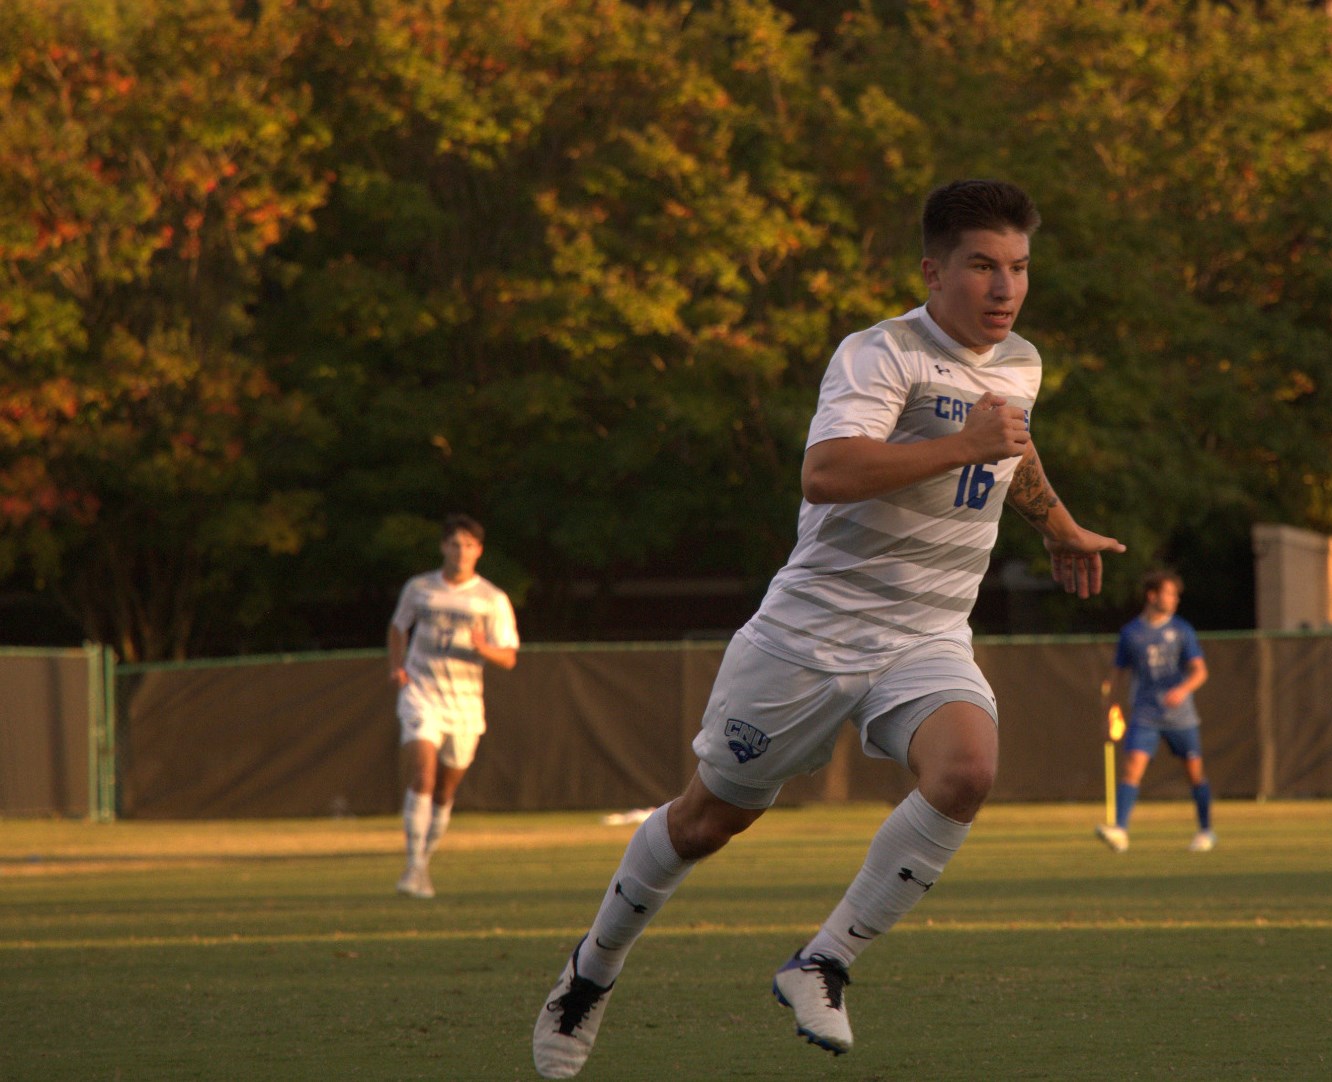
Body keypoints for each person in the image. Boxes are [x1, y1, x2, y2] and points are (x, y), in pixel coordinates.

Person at [531, 178, 1125, 1078]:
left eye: (1018, 268)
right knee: (704, 822)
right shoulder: (877, 354)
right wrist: (960, 444)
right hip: (810, 634)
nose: (1003, 288)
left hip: (925, 634)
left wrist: (1057, 523)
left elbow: (1011, 441)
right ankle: (591, 970)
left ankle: (822, 962)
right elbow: (826, 472)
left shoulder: (1020, 361)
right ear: (932, 271)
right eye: (981, 267)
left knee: (966, 769)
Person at [387, 513, 520, 898]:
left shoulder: (492, 599)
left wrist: (484, 649)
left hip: (464, 704)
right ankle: (413, 867)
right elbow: (398, 626)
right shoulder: (419, 588)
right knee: (422, 777)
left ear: (478, 551)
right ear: (443, 547)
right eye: (454, 543)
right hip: (421, 693)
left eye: (469, 545)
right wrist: (397, 666)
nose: (461, 551)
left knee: (445, 791)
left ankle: (423, 862)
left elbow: (509, 657)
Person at [1095, 569, 1213, 854]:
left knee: (1194, 773)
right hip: (1145, 713)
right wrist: (1110, 706)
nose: (1174, 600)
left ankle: (1205, 830)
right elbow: (1117, 674)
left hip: (1180, 716)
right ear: (1152, 596)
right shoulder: (1131, 633)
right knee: (1132, 769)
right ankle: (1120, 831)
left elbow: (1200, 672)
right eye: (1169, 593)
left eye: (1175, 595)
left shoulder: (1182, 630)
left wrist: (1182, 690)